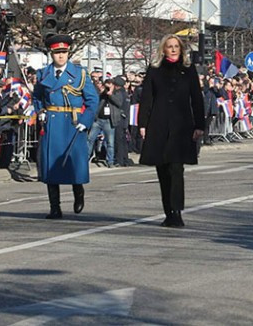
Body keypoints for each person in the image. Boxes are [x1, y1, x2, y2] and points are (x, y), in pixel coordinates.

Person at [138, 34, 205, 228]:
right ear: (163, 49)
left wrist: (199, 125)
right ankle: (167, 211)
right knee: (162, 170)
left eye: (176, 46)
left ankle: (177, 212)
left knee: (176, 169)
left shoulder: (188, 70)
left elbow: (196, 98)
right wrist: (142, 124)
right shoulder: (155, 70)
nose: (174, 49)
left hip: (181, 126)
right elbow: (147, 98)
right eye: (170, 46)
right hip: (159, 125)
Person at [33, 35, 99, 219]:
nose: (60, 56)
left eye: (63, 52)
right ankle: (55, 207)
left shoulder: (80, 73)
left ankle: (78, 191)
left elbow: (92, 100)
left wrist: (85, 122)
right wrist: (41, 111)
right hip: (53, 122)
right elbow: (37, 97)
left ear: (68, 53)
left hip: (73, 123)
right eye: (57, 53)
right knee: (51, 166)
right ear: (51, 54)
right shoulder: (43, 74)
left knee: (74, 164)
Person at [86, 77, 124, 168]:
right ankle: (86, 158)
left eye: (110, 85)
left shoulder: (117, 93)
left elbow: (119, 103)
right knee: (90, 139)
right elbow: (96, 101)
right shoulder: (102, 94)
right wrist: (102, 91)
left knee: (110, 142)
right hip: (98, 119)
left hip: (109, 120)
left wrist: (110, 94)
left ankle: (110, 161)